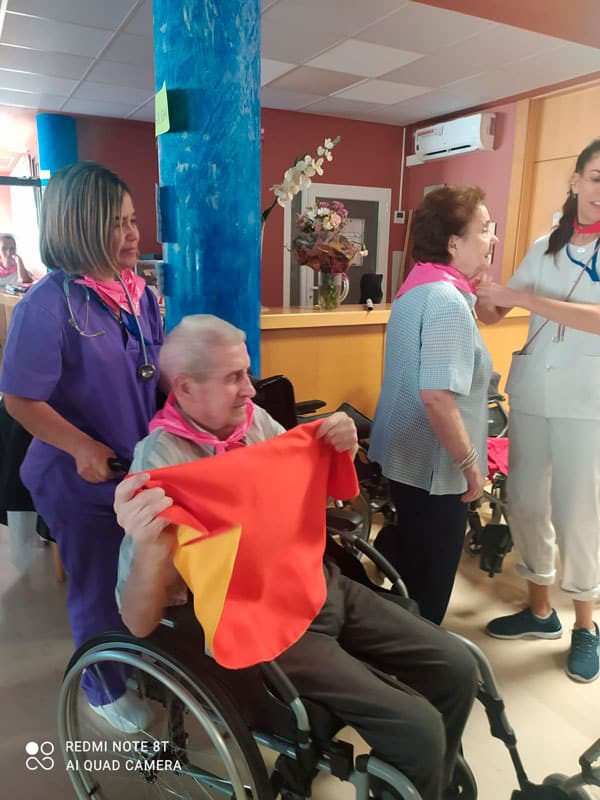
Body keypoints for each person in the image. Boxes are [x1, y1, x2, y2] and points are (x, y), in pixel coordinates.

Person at [115, 314, 477, 800]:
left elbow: (316, 505)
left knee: (457, 666)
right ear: (185, 387)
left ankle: (416, 783)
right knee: (419, 729)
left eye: (248, 373)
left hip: (315, 583)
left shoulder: (256, 424)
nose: (250, 389)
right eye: (234, 377)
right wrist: (151, 544)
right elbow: (137, 621)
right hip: (259, 619)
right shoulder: (159, 466)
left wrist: (336, 448)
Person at [0, 162, 164, 723]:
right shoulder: (46, 306)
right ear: (79, 227)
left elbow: (151, 370)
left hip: (134, 463)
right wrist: (81, 448)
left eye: (133, 219)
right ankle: (103, 691)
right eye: (117, 223)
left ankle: (131, 659)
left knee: (137, 573)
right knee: (97, 583)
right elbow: (20, 399)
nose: (133, 234)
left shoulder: (137, 294)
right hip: (78, 476)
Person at [476, 138, 600, 683]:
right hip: (531, 396)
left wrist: (521, 297)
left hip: (586, 401)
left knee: (578, 513)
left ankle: (586, 626)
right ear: (575, 180)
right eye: (596, 177)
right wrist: (479, 288)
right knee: (525, 502)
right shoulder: (544, 247)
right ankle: (540, 610)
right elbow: (497, 313)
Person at [368, 186, 497, 625]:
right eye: (484, 229)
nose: (493, 238)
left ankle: (400, 644)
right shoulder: (446, 301)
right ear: (453, 243)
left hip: (409, 461)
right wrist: (470, 464)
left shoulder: (418, 289)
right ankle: (418, 656)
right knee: (431, 585)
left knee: (414, 571)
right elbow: (437, 397)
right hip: (436, 469)